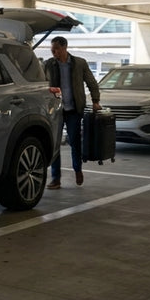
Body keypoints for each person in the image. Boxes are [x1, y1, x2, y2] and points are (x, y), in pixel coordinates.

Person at [43, 36, 101, 189]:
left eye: (56, 49)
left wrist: (95, 101)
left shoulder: (79, 63)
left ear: (64, 47)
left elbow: (91, 82)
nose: (53, 52)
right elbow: (41, 83)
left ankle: (77, 169)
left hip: (74, 109)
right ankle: (56, 178)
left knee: (74, 141)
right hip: (56, 110)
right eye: (52, 50)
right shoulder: (48, 64)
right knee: (55, 143)